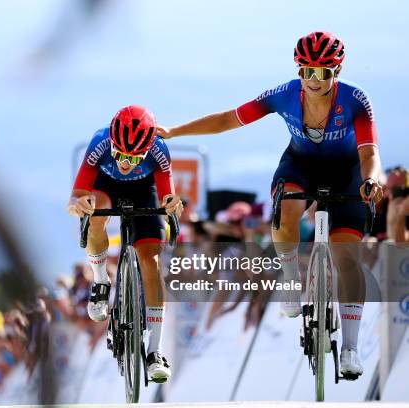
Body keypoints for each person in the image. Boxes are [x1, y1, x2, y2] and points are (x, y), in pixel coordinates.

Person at [157, 32, 383, 378]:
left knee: (346, 257)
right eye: (306, 71)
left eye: (322, 73)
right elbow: (227, 119)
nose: (312, 80)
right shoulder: (284, 95)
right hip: (300, 165)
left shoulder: (355, 100)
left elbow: (369, 153)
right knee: (287, 211)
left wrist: (372, 180)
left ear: (337, 71)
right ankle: (292, 279)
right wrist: (175, 132)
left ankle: (350, 349)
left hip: (348, 171)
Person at [67, 105, 182, 383]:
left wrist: (172, 207)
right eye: (119, 154)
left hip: (145, 191)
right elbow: (77, 196)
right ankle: (100, 281)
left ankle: (155, 351)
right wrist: (78, 205)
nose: (126, 163)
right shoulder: (99, 143)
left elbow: (168, 197)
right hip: (106, 186)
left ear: (147, 148)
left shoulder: (159, 151)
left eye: (134, 157)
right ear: (113, 145)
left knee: (151, 263)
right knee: (95, 216)